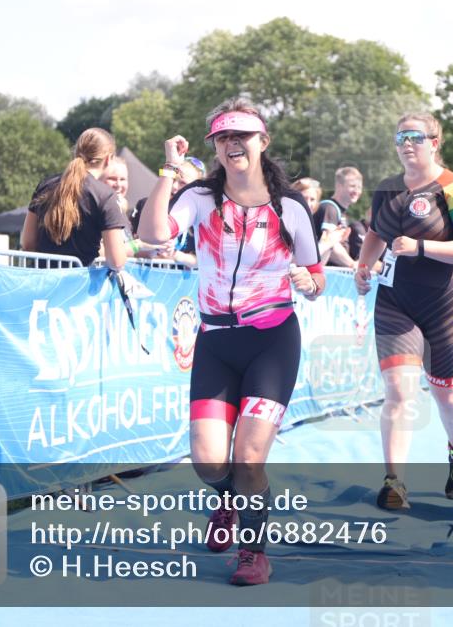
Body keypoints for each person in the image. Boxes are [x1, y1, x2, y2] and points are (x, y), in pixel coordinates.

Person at [138, 98, 323, 586]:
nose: (233, 143)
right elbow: (151, 233)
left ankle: (253, 551)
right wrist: (169, 171)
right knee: (208, 463)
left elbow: (317, 275)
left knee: (248, 458)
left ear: (263, 141)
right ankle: (228, 498)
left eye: (242, 135)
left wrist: (309, 282)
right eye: (223, 137)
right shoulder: (199, 197)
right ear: (216, 148)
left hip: (271, 341)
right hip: (216, 343)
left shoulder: (290, 207)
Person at [354, 113, 453, 510]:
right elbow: (376, 233)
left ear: (435, 142)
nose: (407, 144)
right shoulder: (387, 190)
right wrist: (363, 266)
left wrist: (421, 247)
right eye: (400, 138)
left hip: (447, 305)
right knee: (398, 391)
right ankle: (395, 482)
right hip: (397, 302)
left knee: (445, 392)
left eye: (415, 137)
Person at [20, 127, 127, 269]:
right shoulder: (105, 195)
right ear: (108, 159)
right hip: (80, 286)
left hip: (43, 283)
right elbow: (116, 261)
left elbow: (28, 243)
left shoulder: (45, 185)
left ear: (76, 152)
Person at [314, 166, 363, 267]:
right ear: (339, 185)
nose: (356, 191)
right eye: (352, 186)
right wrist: (352, 265)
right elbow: (329, 243)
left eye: (359, 187)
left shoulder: (341, 211)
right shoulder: (330, 208)